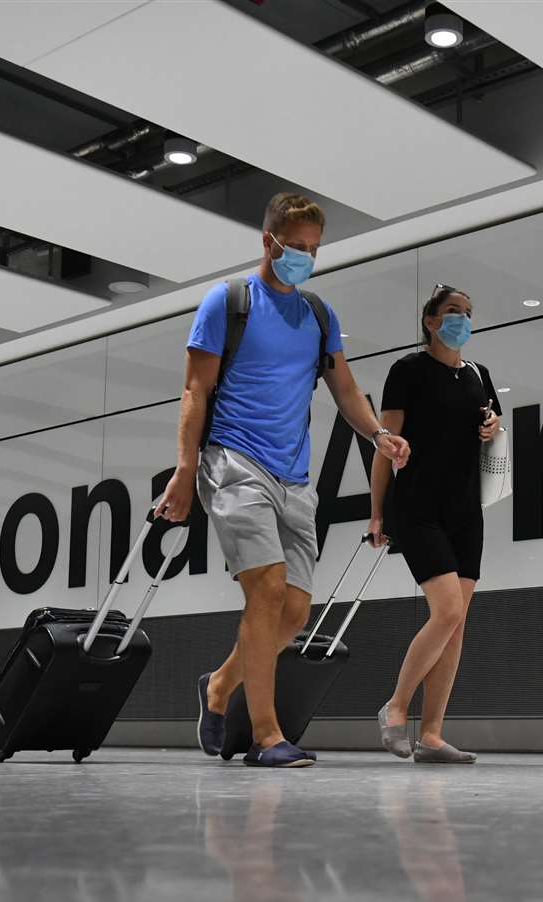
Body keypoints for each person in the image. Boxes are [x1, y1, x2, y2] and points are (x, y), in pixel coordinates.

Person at [155, 193, 409, 768]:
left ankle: (219, 687)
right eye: (295, 247)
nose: (304, 258)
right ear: (267, 239)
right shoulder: (229, 302)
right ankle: (266, 736)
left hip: (295, 478)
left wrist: (377, 434)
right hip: (234, 462)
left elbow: (343, 387)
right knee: (266, 592)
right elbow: (195, 391)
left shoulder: (319, 315)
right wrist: (185, 469)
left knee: (294, 613)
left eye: (313, 250)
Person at [368, 285, 501, 764]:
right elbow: (386, 443)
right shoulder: (407, 371)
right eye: (451, 312)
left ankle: (433, 735)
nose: (460, 320)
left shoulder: (479, 375)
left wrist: (495, 429)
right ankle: (396, 707)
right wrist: (377, 510)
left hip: (466, 511)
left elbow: (492, 432)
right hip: (418, 506)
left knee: (457, 623)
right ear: (430, 321)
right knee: (446, 611)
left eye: (467, 312)